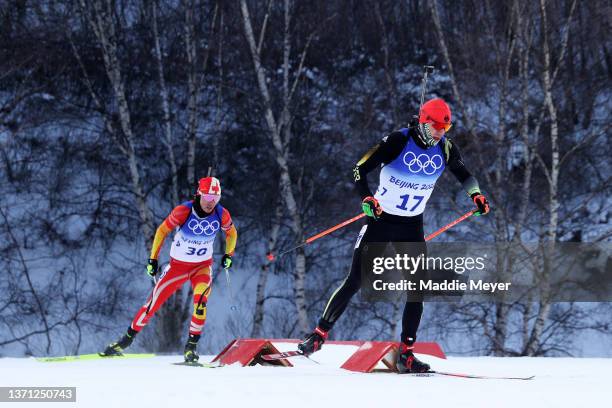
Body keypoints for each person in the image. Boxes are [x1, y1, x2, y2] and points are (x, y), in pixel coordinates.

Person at [297, 98, 489, 373]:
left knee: (417, 289)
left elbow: (464, 174)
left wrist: (476, 195)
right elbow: (359, 168)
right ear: (424, 123)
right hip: (380, 220)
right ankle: (318, 335)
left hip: (411, 226)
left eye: (445, 128)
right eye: (436, 127)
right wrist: (366, 198)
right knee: (356, 280)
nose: (440, 133)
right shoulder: (398, 140)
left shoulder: (446, 148)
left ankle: (407, 353)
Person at [100, 176, 237, 363]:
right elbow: (162, 231)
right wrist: (153, 259)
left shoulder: (222, 214)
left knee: (200, 302)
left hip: (202, 268)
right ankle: (123, 342)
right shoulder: (184, 210)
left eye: (215, 198)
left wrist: (229, 254)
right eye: (207, 197)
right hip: (177, 268)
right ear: (199, 194)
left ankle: (191, 348)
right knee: (153, 303)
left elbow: (231, 233)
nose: (211, 202)